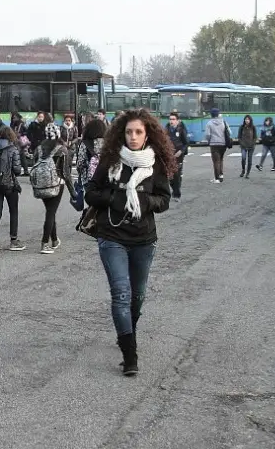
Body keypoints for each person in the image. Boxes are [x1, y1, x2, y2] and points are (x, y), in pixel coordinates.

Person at [84, 109, 175, 376]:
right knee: (121, 294)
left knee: (138, 296)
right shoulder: (111, 160)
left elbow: (164, 199)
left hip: (144, 239)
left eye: (138, 132)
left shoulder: (155, 164)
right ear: (121, 134)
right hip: (112, 236)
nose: (133, 137)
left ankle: (127, 330)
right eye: (129, 132)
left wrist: (146, 201)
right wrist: (113, 198)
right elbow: (90, 191)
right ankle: (130, 354)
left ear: (147, 135)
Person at [31, 136, 74, 254]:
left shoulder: (39, 149)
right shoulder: (62, 149)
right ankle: (44, 243)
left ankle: (54, 240)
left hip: (41, 185)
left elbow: (35, 165)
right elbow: (66, 173)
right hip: (57, 185)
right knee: (51, 212)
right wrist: (73, 192)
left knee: (50, 211)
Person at [0, 127, 25, 255]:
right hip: (9, 184)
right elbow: (17, 170)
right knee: (13, 211)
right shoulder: (13, 149)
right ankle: (13, 241)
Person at [165, 112, 188, 201]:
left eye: (173, 119)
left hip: (178, 155)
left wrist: (181, 151)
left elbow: (186, 143)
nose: (171, 121)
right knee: (170, 175)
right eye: (170, 119)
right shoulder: (166, 129)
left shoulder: (181, 129)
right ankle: (174, 190)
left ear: (177, 121)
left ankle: (177, 194)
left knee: (177, 174)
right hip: (169, 154)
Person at [204, 108, 229, 183]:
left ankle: (217, 178)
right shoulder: (223, 122)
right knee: (221, 159)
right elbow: (229, 132)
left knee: (216, 161)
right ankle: (221, 175)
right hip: (223, 143)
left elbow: (208, 135)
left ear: (211, 114)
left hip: (214, 144)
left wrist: (209, 141)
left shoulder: (209, 123)